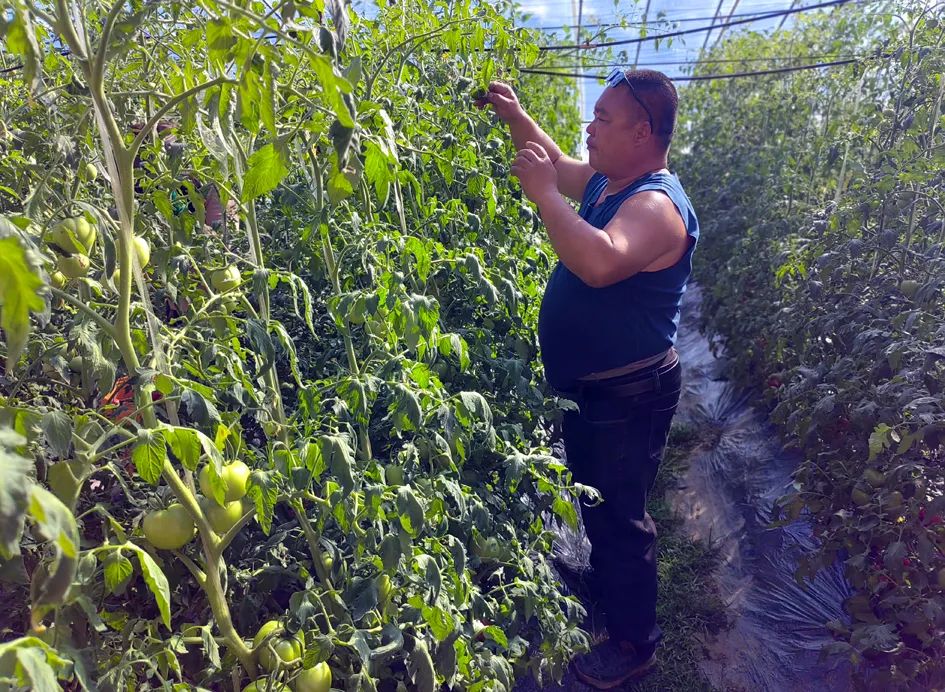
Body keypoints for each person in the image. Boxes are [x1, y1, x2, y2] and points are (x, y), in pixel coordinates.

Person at [475, 69, 699, 688]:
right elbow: (560, 165)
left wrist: (545, 197)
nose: (589, 128)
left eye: (602, 118)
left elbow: (600, 262)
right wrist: (516, 116)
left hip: (629, 394)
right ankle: (608, 585)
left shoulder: (655, 205)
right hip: (599, 390)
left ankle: (634, 644)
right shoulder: (612, 179)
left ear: (641, 132)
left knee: (621, 517)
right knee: (597, 501)